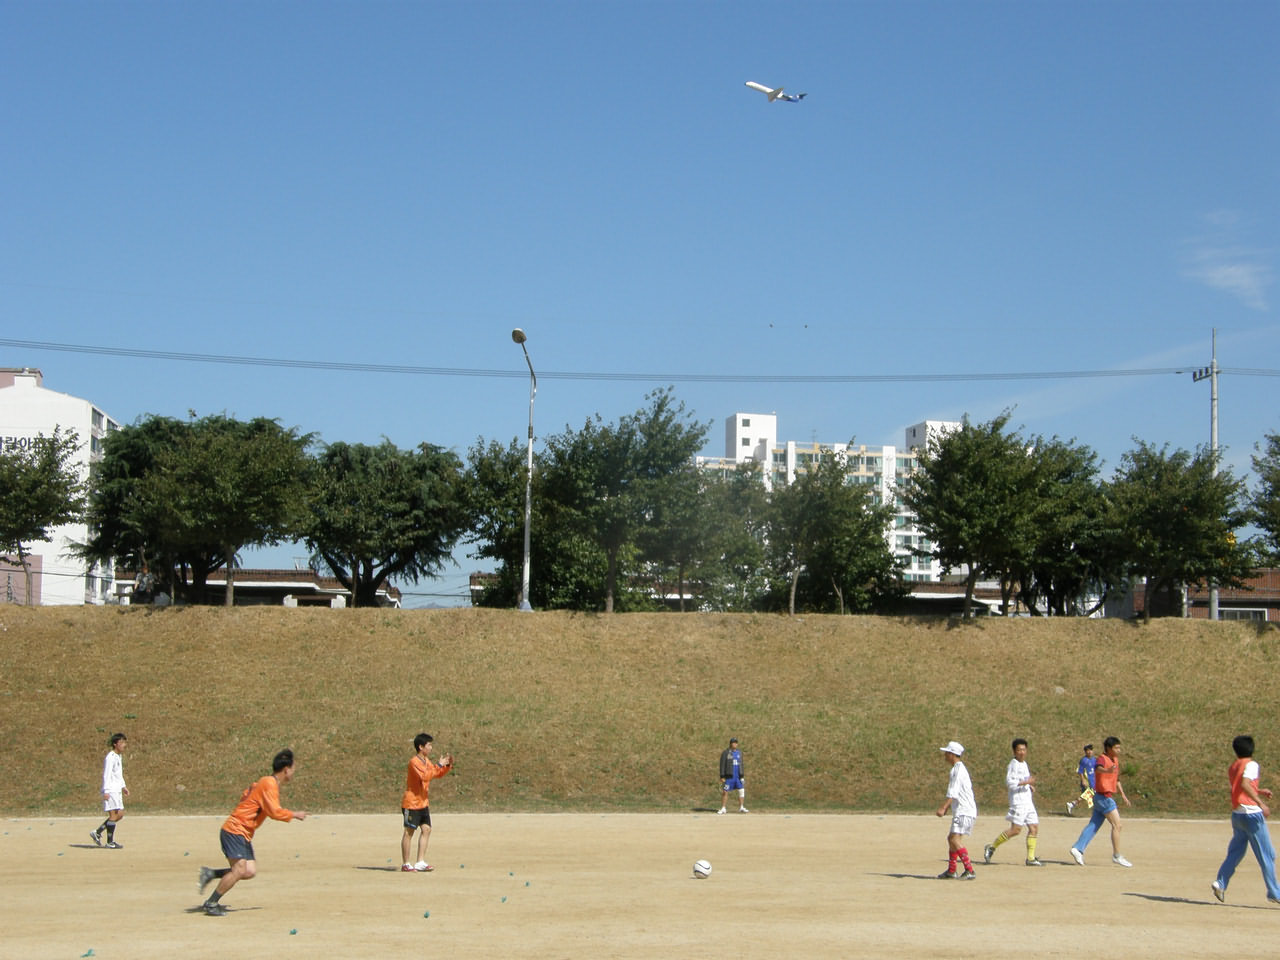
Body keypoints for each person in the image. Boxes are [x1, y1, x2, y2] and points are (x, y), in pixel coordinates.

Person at [198, 749, 309, 916]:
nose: (294, 772)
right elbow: (274, 812)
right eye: (293, 768)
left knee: (249, 871)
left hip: (243, 833)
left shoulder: (265, 783)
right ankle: (211, 902)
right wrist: (294, 815)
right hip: (235, 830)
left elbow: (248, 796)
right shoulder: (269, 783)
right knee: (240, 869)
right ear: (286, 769)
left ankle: (211, 873)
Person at [1210, 735, 1280, 905]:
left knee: (1236, 852)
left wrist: (1259, 790)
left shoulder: (1234, 766)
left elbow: (1239, 787)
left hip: (1238, 814)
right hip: (1251, 815)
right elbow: (1245, 784)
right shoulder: (1252, 764)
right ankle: (1275, 893)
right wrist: (1261, 803)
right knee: (1267, 855)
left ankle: (1221, 882)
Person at [1069, 736, 1131, 867]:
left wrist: (1123, 795)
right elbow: (1098, 768)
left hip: (1100, 797)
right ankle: (1117, 855)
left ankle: (1077, 848)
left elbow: (1117, 779)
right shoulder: (1103, 759)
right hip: (1104, 797)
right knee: (1117, 825)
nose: (1119, 750)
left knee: (1094, 825)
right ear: (1109, 748)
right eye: (1116, 748)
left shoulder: (1115, 760)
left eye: (1120, 747)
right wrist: (1107, 770)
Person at [400, 733, 454, 872]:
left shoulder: (426, 761)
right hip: (411, 803)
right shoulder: (414, 762)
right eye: (429, 745)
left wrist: (446, 766)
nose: (431, 748)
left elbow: (435, 774)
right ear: (421, 747)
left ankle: (420, 862)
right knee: (409, 832)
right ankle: (406, 863)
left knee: (426, 829)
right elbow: (425, 776)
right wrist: (438, 765)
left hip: (423, 803)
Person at [983, 738, 1042, 866]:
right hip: (1018, 802)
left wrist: (1029, 786)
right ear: (1014, 751)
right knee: (1015, 830)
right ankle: (991, 847)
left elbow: (1024, 779)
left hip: (1028, 801)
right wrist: (1026, 782)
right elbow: (1010, 783)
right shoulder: (1013, 765)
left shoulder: (1024, 764)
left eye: (1024, 749)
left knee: (1034, 827)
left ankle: (1031, 858)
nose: (1022, 752)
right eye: (1019, 750)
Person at [935, 741, 977, 879]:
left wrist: (943, 807)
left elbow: (954, 792)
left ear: (952, 754)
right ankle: (952, 870)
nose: (945, 755)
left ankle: (969, 870)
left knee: (954, 839)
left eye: (947, 753)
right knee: (952, 838)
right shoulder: (959, 768)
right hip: (965, 810)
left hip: (963, 810)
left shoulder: (957, 770)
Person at [90, 733, 129, 849]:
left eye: (124, 742)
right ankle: (109, 842)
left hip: (117, 790)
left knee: (120, 814)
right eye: (121, 743)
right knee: (113, 815)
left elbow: (118, 774)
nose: (124, 745)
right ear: (115, 744)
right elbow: (106, 775)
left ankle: (97, 832)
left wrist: (123, 786)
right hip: (111, 790)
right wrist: (106, 791)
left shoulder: (118, 757)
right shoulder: (110, 757)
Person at [718, 737, 747, 814]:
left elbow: (741, 764)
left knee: (741, 790)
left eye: (736, 743)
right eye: (733, 742)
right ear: (730, 744)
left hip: (737, 776)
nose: (735, 744)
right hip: (729, 776)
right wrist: (722, 776)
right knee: (725, 791)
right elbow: (722, 764)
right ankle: (723, 808)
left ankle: (741, 807)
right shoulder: (726, 753)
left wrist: (742, 776)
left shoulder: (739, 753)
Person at [1067, 744, 1097, 816]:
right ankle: (1097, 812)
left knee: (1088, 795)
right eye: (1088, 751)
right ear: (1085, 752)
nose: (1089, 752)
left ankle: (1072, 804)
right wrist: (1083, 780)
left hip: (1093, 781)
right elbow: (1080, 771)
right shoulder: (1083, 760)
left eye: (1090, 750)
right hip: (1087, 781)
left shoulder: (1094, 760)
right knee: (1091, 795)